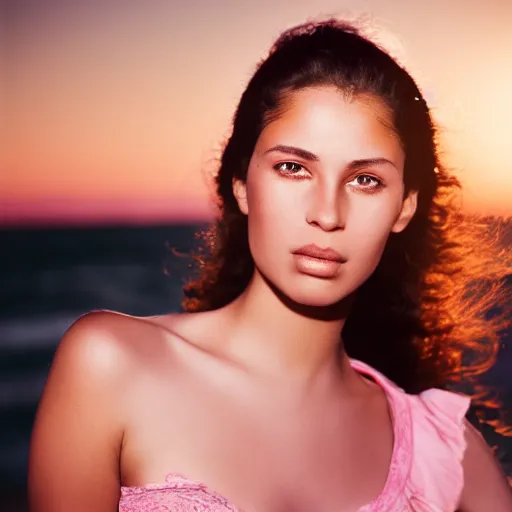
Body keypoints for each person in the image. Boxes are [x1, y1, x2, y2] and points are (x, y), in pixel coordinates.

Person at [28, 18, 512, 512]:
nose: (326, 214)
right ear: (241, 182)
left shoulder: (448, 458)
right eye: (293, 168)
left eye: (365, 180)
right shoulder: (111, 365)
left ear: (404, 207)